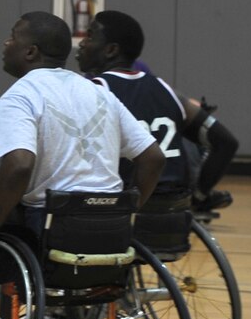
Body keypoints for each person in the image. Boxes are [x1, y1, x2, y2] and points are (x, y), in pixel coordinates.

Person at [0, 11, 163, 290]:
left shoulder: (20, 97)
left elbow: (20, 167)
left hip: (53, 234)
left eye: (12, 37)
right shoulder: (99, 92)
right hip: (112, 230)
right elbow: (154, 158)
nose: (5, 43)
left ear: (30, 52)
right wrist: (128, 208)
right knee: (14, 215)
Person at [74, 11, 188, 202]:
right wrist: (201, 193)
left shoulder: (97, 91)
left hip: (126, 205)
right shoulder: (163, 87)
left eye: (90, 36)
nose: (82, 43)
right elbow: (224, 142)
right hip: (176, 209)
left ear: (111, 50)